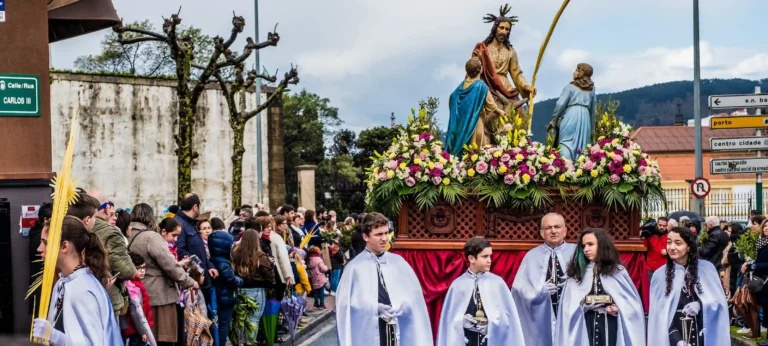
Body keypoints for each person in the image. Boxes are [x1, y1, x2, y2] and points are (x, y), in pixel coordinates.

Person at [336, 212, 433, 346]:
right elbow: (345, 306)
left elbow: (415, 299)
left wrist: (402, 305)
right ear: (365, 237)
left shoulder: (399, 263)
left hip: (397, 328)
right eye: (378, 234)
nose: (384, 239)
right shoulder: (354, 268)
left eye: (386, 233)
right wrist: (374, 308)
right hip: (370, 332)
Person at [32, 215, 123, 345]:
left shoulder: (83, 290)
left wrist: (54, 336)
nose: (39, 249)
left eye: (45, 243)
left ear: (64, 246)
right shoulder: (63, 283)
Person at [554, 228, 645, 346]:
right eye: (583, 246)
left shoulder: (618, 272)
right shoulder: (577, 273)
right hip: (585, 326)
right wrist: (582, 305)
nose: (586, 249)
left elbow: (631, 306)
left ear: (602, 245)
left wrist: (618, 308)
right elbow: (568, 307)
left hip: (611, 326)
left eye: (590, 244)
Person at [648, 227, 730, 346]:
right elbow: (659, 315)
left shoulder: (707, 269)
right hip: (674, 337)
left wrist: (701, 304)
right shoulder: (660, 275)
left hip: (703, 336)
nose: (671, 247)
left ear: (689, 247)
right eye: (669, 242)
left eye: (678, 243)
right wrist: (677, 340)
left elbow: (720, 303)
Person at [129, 207, 198, 345]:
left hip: (140, 293)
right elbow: (169, 264)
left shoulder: (129, 235)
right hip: (160, 296)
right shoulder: (151, 237)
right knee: (163, 339)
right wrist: (189, 281)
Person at [438, 237, 524, 346]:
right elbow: (450, 324)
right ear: (471, 259)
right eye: (485, 256)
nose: (489, 260)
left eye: (490, 256)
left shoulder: (498, 284)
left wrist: (490, 326)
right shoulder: (457, 285)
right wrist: (462, 321)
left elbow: (509, 321)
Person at [511, 213, 576, 346]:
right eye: (548, 228)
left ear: (565, 231)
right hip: (542, 319)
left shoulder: (577, 253)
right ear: (542, 233)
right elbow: (518, 290)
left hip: (571, 315)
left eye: (557, 227)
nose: (553, 231)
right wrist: (539, 292)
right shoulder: (532, 256)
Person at [471, 5, 536, 111]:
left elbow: (517, 74)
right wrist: (477, 59)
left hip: (506, 89)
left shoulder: (511, 52)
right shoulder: (483, 49)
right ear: (495, 28)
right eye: (501, 28)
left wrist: (526, 86)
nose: (504, 32)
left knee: (520, 113)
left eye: (507, 29)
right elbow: (473, 69)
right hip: (487, 87)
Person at [445, 57, 508, 156]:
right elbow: (491, 105)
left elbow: (452, 98)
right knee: (474, 151)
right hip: (475, 122)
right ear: (480, 70)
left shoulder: (462, 85)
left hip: (460, 123)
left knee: (462, 149)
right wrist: (501, 112)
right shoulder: (481, 86)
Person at [88, 190, 137, 316]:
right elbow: (126, 271)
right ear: (107, 209)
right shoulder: (111, 233)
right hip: (107, 298)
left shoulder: (76, 227)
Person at [232, 229, 275, 344]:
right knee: (253, 320)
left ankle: (241, 342)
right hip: (257, 289)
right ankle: (250, 343)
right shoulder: (260, 255)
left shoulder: (236, 253)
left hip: (240, 289)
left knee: (242, 320)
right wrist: (271, 265)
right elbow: (269, 275)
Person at [175, 193, 219, 305]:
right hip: (193, 283)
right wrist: (199, 270)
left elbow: (200, 250)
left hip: (202, 280)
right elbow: (181, 252)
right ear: (195, 207)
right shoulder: (179, 224)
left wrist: (209, 266)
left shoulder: (191, 223)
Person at [549, 63, 597, 161]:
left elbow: (560, 104)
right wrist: (592, 130)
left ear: (580, 73)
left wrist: (554, 120)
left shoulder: (569, 87)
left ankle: (566, 166)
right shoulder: (591, 90)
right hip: (585, 119)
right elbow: (593, 112)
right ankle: (580, 167)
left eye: (576, 70)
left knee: (565, 142)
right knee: (583, 146)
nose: (573, 72)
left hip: (571, 116)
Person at [209, 230, 243, 345]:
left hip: (220, 298)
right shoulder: (223, 262)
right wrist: (240, 280)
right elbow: (231, 279)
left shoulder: (214, 260)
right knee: (223, 326)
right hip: (225, 299)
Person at [123, 253, 156, 346]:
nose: (142, 271)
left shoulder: (138, 284)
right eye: (138, 268)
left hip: (140, 328)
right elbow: (134, 313)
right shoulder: (131, 286)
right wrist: (142, 332)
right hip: (136, 331)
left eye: (144, 267)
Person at [642, 217, 669, 287]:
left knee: (663, 287)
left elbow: (674, 249)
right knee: (651, 287)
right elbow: (643, 248)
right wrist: (644, 237)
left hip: (664, 268)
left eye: (664, 226)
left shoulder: (669, 237)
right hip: (651, 267)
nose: (662, 227)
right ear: (657, 225)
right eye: (660, 225)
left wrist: (668, 251)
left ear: (667, 226)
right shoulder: (650, 236)